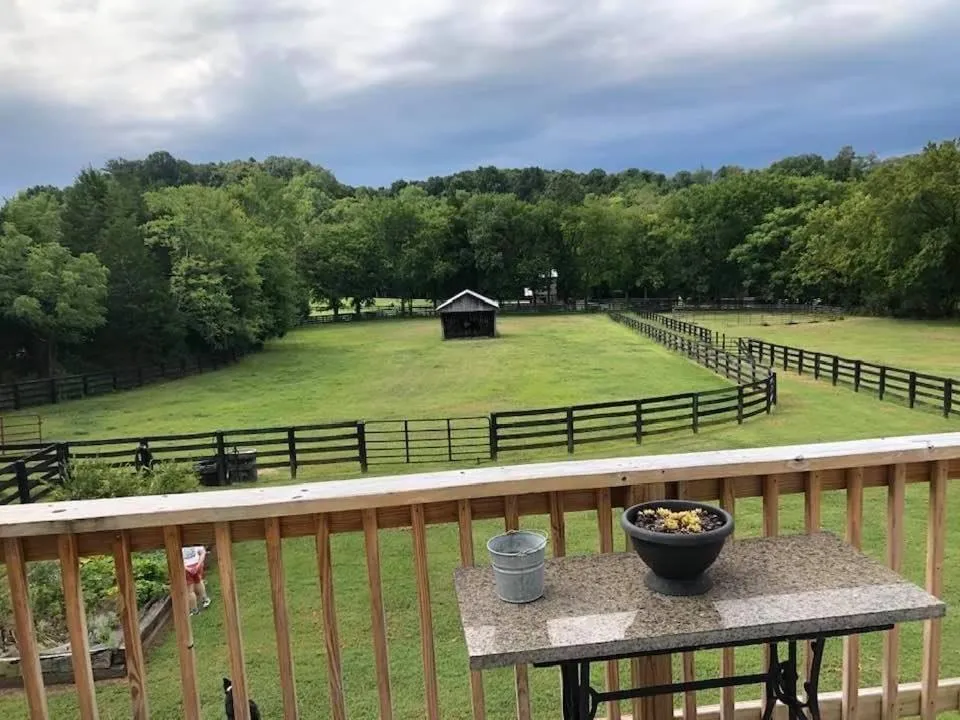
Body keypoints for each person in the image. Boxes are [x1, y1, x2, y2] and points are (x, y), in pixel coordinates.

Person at [182, 545, 211, 615]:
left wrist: (187, 568)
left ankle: (194, 610)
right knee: (198, 582)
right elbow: (203, 552)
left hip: (186, 568)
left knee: (190, 591)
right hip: (196, 564)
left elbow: (176, 559)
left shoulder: (177, 543)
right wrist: (198, 565)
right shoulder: (194, 541)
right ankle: (205, 600)